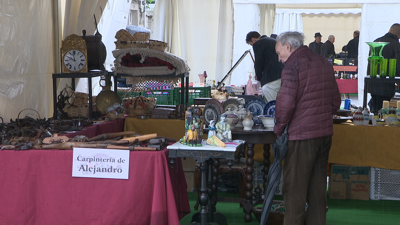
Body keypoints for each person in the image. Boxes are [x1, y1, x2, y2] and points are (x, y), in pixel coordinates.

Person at [274, 31, 341, 225]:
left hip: (302, 136)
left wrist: (278, 129)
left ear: (288, 46)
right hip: (324, 134)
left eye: (279, 53)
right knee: (318, 192)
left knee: (294, 193)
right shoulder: (323, 62)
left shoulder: (292, 66)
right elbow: (335, 102)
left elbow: (285, 104)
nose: (279, 59)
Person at [368, 23, 400, 114]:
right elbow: (398, 67)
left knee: (375, 110)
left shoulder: (376, 41)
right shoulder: (396, 45)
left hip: (373, 83)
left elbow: (370, 63)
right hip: (387, 86)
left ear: (390, 30)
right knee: (384, 112)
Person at [246, 31, 284, 102]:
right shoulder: (272, 40)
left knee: (271, 104)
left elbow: (258, 63)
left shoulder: (258, 43)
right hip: (281, 74)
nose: (253, 46)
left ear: (254, 39)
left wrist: (259, 77)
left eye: (252, 44)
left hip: (271, 77)